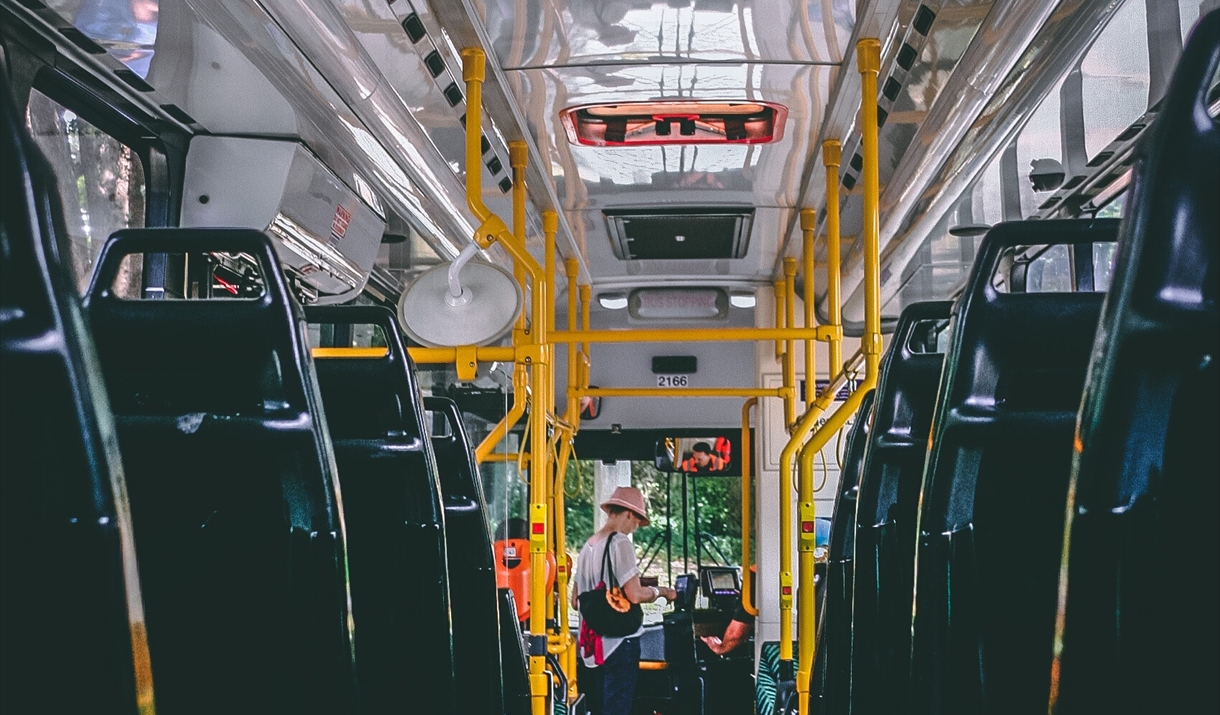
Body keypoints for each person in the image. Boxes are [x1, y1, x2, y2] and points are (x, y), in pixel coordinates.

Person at [572, 486, 678, 715]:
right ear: (630, 514)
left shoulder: (588, 546)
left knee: (600, 708)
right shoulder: (619, 542)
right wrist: (663, 592)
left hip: (592, 646)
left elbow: (575, 600)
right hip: (620, 643)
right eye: (637, 522)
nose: (635, 528)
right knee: (618, 707)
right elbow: (635, 595)